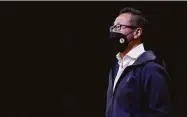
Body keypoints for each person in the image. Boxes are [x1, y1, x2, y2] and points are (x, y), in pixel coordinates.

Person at [106, 7, 171, 117]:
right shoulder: (117, 66)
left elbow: (159, 113)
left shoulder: (151, 69)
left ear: (137, 32)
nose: (114, 32)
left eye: (119, 27)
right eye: (113, 27)